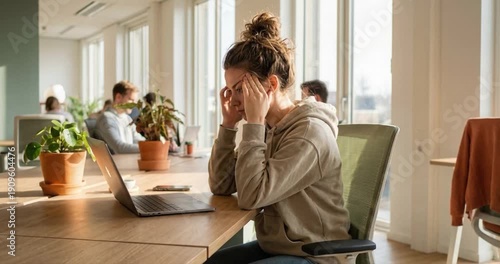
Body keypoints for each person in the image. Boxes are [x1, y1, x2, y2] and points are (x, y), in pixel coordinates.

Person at [206, 12, 350, 264]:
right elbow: (221, 185)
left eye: (239, 89)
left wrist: (253, 123)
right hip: (278, 248)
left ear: (270, 85)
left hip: (316, 255)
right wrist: (228, 125)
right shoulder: (271, 128)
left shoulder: (308, 133)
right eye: (229, 90)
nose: (233, 99)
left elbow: (251, 196)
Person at [95, 81, 144, 154]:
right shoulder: (106, 119)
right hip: (118, 164)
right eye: (131, 100)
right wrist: (151, 148)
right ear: (118, 97)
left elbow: (139, 140)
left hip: (128, 161)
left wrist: (155, 145)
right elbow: (119, 148)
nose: (134, 105)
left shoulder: (127, 119)